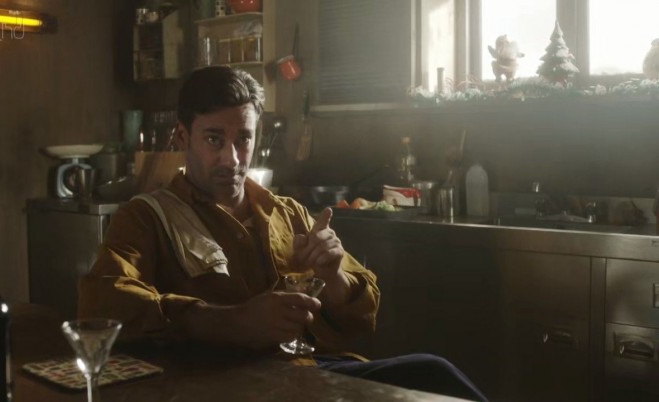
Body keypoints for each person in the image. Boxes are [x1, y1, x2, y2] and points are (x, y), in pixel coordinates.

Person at [79, 66, 487, 402]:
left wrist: (333, 276)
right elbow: (103, 303)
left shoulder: (287, 212)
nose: (231, 158)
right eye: (214, 139)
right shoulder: (147, 217)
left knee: (434, 376)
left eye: (243, 139)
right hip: (225, 385)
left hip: (311, 375)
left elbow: (364, 316)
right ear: (183, 136)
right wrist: (230, 321)